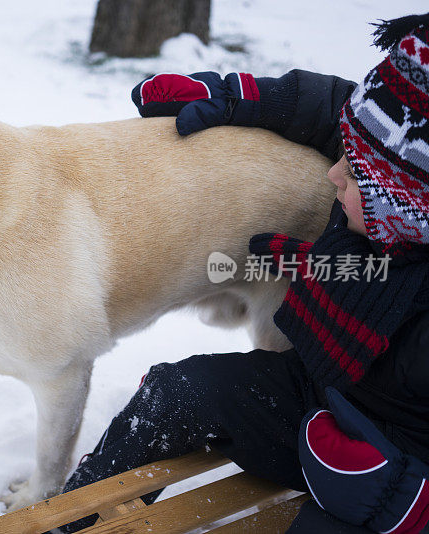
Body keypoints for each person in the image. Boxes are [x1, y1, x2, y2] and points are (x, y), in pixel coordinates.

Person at [58, 14, 429, 533]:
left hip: (391, 464)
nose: (333, 171)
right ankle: (75, 520)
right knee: (174, 392)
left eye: (356, 173)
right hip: (318, 392)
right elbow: (334, 110)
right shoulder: (399, 152)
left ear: (409, 208)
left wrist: (404, 498)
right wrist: (235, 96)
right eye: (345, 153)